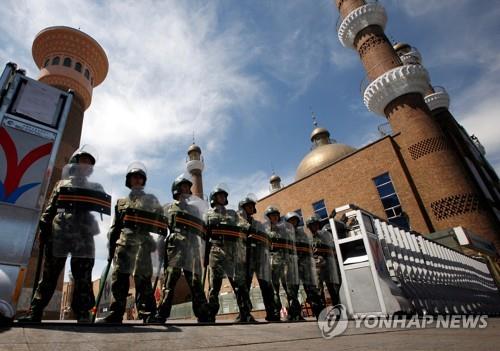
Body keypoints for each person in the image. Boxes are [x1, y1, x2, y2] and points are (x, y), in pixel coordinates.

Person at [19, 145, 110, 323]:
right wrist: (43, 230)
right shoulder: (60, 184)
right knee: (50, 275)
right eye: (83, 160)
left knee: (83, 277)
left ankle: (83, 313)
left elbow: (102, 206)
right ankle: (35, 311)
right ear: (75, 163)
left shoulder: (96, 186)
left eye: (89, 163)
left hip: (84, 235)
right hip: (60, 232)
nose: (86, 165)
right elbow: (50, 209)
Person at [99, 162, 165, 323]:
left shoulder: (151, 200)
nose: (137, 180)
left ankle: (148, 313)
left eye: (140, 178)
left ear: (143, 181)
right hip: (124, 244)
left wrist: (162, 234)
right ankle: (117, 312)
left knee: (142, 279)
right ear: (129, 181)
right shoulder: (121, 202)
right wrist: (111, 247)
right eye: (134, 177)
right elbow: (115, 228)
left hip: (143, 244)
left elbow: (161, 221)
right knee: (119, 278)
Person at [149, 175, 209, 323]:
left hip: (192, 249)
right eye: (184, 186)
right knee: (170, 282)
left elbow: (201, 230)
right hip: (174, 248)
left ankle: (202, 313)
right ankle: (162, 313)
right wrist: (159, 248)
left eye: (189, 187)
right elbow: (161, 231)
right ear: (176, 189)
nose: (187, 189)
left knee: (195, 282)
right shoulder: (168, 208)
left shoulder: (195, 210)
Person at [204, 185, 255, 323]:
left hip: (232, 252)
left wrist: (249, 227)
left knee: (239, 284)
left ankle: (245, 314)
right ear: (214, 198)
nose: (223, 197)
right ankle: (211, 315)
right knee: (214, 285)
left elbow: (244, 225)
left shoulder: (233, 213)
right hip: (215, 251)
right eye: (220, 195)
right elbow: (204, 233)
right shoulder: (208, 214)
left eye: (224, 196)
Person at [237, 194, 279, 321]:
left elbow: (266, 239)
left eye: (252, 206)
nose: (250, 208)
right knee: (244, 287)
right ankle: (244, 313)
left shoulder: (258, 224)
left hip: (259, 258)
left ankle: (272, 313)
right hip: (244, 258)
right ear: (242, 208)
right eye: (248, 206)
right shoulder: (237, 221)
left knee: (266, 286)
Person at [285, 212, 324, 319]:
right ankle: (295, 314)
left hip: (305, 266)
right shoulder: (284, 234)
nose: (293, 222)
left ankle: (320, 313)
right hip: (292, 266)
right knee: (292, 292)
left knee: (312, 290)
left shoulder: (303, 234)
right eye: (290, 221)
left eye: (295, 220)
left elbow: (309, 250)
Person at [265, 206, 300, 321]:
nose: (275, 217)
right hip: (272, 263)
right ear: (268, 218)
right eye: (272, 215)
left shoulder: (285, 231)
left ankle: (295, 313)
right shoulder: (265, 231)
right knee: (274, 290)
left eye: (276, 215)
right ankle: (275, 313)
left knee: (289, 289)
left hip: (285, 263)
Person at [307, 215, 341, 307]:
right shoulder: (308, 240)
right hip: (317, 268)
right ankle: (322, 311)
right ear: (309, 227)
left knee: (333, 289)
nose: (315, 227)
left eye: (316, 224)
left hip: (329, 267)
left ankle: (338, 309)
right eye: (312, 225)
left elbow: (333, 251)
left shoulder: (326, 237)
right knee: (318, 290)